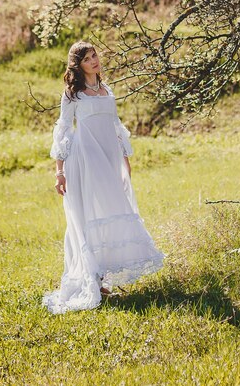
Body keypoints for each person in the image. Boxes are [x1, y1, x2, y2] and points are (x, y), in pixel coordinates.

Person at [43, 40, 164, 314]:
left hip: (109, 157)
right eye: (87, 59)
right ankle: (93, 279)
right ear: (78, 65)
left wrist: (125, 160)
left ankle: (104, 277)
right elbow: (62, 129)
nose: (94, 61)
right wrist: (59, 171)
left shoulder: (107, 90)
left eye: (95, 55)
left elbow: (116, 127)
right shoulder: (73, 95)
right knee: (91, 214)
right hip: (85, 159)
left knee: (112, 209)